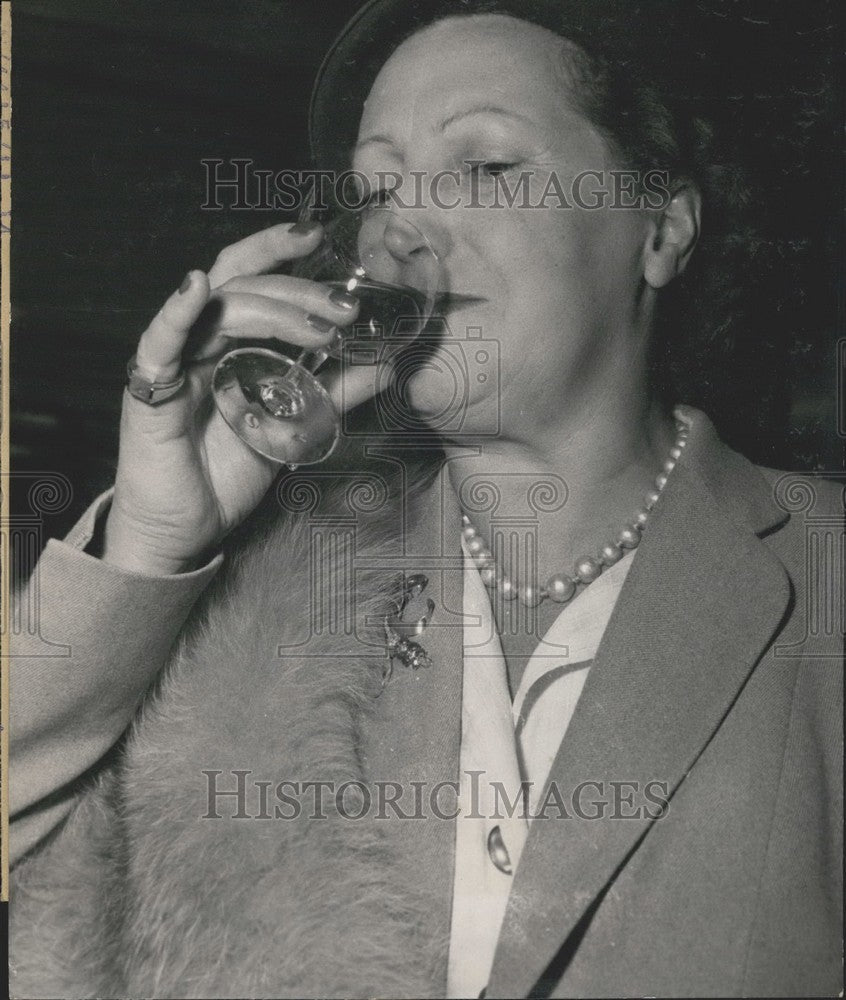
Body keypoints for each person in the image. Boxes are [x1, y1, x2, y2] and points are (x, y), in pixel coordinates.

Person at [9, 2, 842, 998]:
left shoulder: (821, 571)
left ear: (659, 230)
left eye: (487, 165)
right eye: (377, 188)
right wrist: (153, 541)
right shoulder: (251, 596)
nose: (410, 231)